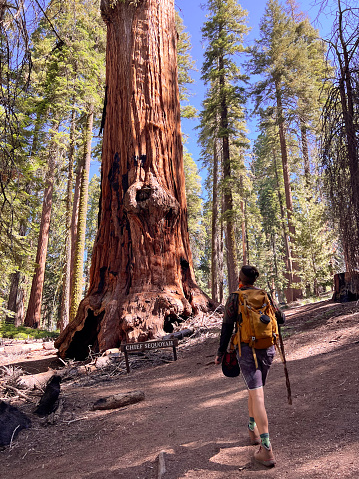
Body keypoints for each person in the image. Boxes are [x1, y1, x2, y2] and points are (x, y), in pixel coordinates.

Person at [215, 265, 284, 467]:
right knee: (255, 392)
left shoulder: (235, 297)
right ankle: (252, 430)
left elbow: (227, 326)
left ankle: (266, 449)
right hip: (268, 348)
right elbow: (280, 317)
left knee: (258, 395)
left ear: (240, 279)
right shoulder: (265, 295)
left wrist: (220, 353)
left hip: (247, 351)